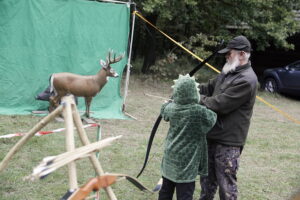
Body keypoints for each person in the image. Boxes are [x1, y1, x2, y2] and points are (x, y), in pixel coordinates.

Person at [198, 35, 258, 200]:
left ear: (242, 54)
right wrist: (188, 87)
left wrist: (196, 99)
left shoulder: (247, 80)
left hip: (228, 143)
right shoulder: (227, 72)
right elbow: (208, 87)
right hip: (212, 136)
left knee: (227, 188)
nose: (226, 56)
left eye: (229, 53)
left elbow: (219, 104)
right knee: (206, 184)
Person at [158, 74, 217, 200]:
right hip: (187, 163)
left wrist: (167, 103)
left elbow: (164, 111)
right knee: (184, 194)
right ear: (193, 93)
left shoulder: (171, 108)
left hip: (170, 156)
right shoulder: (199, 111)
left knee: (165, 191)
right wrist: (201, 104)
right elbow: (212, 118)